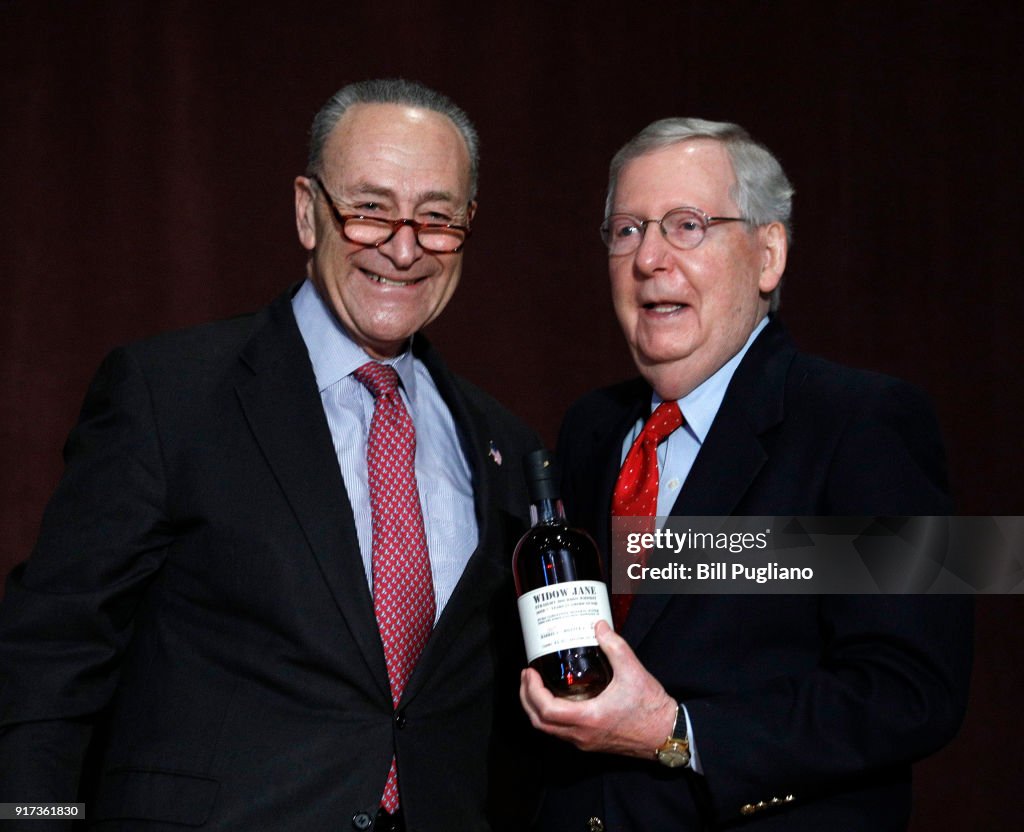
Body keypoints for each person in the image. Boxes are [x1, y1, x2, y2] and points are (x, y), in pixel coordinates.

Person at [0, 79, 540, 831]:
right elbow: (48, 663)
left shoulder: (506, 448)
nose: (405, 245)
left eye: (437, 218)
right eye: (370, 209)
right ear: (305, 211)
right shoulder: (169, 396)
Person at [520, 118, 972, 831]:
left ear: (769, 255)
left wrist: (677, 733)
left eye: (688, 225)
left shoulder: (868, 422)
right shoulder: (590, 428)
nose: (649, 259)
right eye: (627, 230)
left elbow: (911, 693)